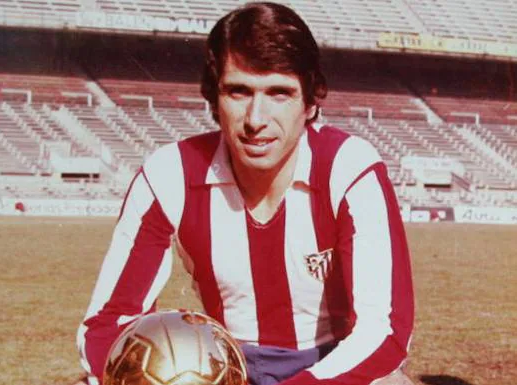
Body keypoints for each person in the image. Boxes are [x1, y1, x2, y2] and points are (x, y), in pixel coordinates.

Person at [76, 3, 415, 385]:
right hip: (220, 364)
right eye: (238, 92)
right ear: (214, 97)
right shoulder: (168, 174)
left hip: (331, 362)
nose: (256, 119)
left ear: (310, 102)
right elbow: (110, 320)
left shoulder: (349, 167)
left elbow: (383, 331)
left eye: (279, 93)